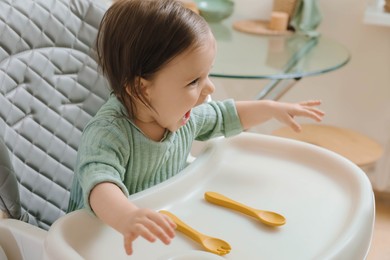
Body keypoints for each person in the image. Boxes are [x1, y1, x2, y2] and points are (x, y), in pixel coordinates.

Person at [67, 0, 325, 255]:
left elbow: (226, 115)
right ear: (140, 87)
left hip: (162, 230)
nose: (209, 89)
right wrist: (127, 217)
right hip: (103, 239)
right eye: (194, 81)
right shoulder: (109, 133)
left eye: (207, 75)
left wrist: (270, 108)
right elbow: (100, 184)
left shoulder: (182, 117)